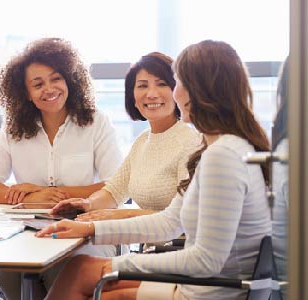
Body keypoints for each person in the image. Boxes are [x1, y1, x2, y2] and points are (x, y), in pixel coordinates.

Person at [37, 40, 273, 300]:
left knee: (84, 275)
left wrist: (117, 265)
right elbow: (171, 221)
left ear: (198, 90)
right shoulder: (222, 148)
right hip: (204, 286)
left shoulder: (222, 156)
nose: (174, 92)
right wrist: (90, 229)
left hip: (206, 292)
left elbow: (206, 261)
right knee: (79, 268)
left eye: (175, 82)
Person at [0, 37, 123, 299]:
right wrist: (33, 197)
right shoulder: (14, 131)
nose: (49, 88)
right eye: (37, 84)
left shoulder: (96, 122)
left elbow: (117, 184)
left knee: (64, 272)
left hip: (86, 233)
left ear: (69, 81)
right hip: (29, 233)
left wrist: (54, 192)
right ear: (26, 93)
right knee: (10, 274)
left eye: (56, 79)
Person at [51, 52, 201, 223]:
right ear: (133, 98)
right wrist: (87, 204)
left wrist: (123, 215)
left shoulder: (190, 143)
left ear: (177, 92)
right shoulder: (143, 141)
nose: (151, 94)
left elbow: (186, 214)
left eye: (162, 84)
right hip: (150, 242)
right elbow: (114, 191)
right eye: (142, 86)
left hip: (177, 244)